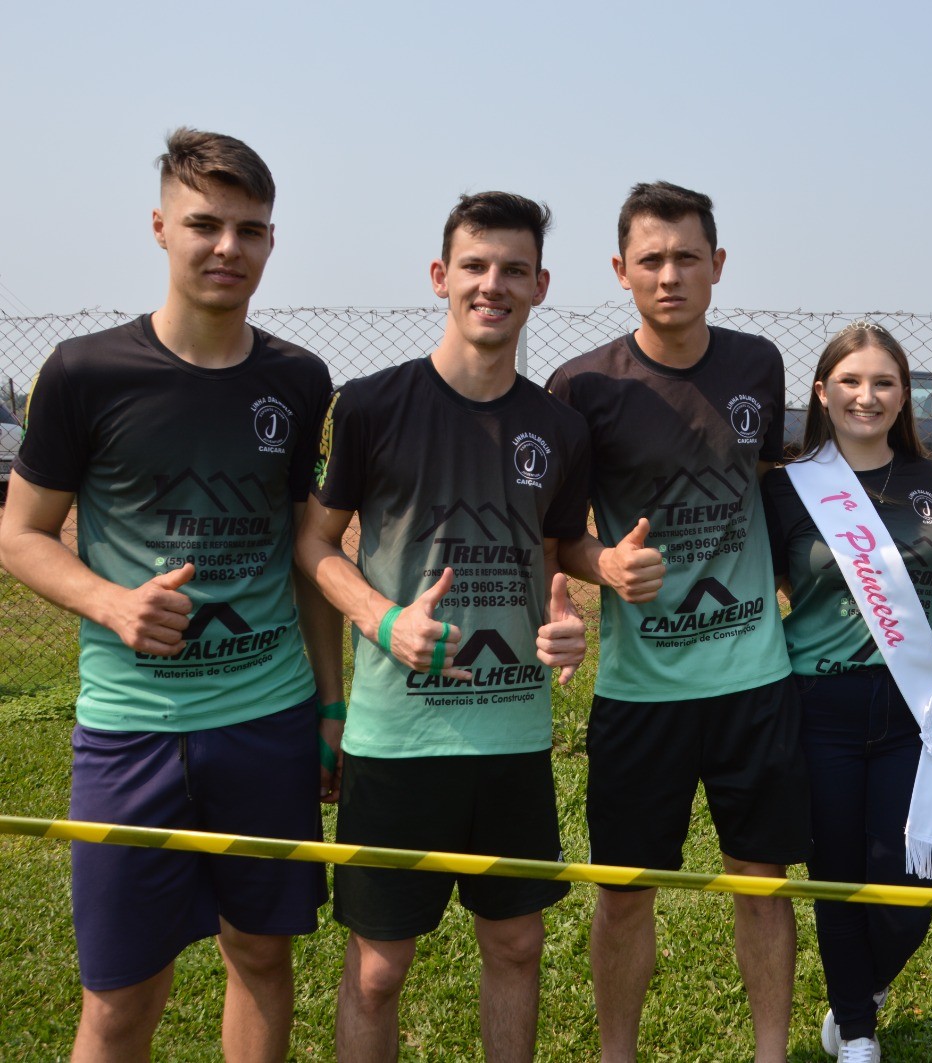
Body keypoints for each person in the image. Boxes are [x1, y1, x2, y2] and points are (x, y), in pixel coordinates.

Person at [0, 128, 341, 1062]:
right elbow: (19, 534)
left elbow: (307, 552)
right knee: (119, 998)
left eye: (250, 229)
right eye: (205, 224)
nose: (228, 247)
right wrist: (111, 602)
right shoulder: (84, 372)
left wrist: (331, 703)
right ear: (160, 227)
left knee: (260, 955)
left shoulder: (299, 380)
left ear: (271, 240)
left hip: (268, 721)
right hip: (130, 733)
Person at [295, 191, 590, 1062]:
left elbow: (550, 556)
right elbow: (313, 543)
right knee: (379, 969)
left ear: (540, 286)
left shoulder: (558, 426)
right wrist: (382, 618)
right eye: (475, 265)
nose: (492, 284)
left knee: (517, 944)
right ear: (440, 276)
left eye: (513, 269)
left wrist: (563, 622)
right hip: (398, 738)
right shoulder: (370, 405)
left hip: (513, 734)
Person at [549, 181, 806, 1063]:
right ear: (620, 270)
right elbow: (558, 534)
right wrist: (602, 565)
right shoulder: (581, 386)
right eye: (650, 260)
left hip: (755, 681)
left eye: (687, 257)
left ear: (717, 265)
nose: (670, 275)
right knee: (625, 892)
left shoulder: (758, 365)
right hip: (640, 691)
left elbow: (768, 485)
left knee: (762, 884)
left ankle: (771, 1053)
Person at [762, 321, 932, 1063]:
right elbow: (774, 584)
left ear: (904, 395)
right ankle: (857, 1033)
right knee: (839, 873)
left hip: (917, 706)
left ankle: (860, 989)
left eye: (883, 382)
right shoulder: (787, 487)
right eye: (850, 381)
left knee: (912, 884)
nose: (866, 396)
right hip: (823, 703)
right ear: (822, 392)